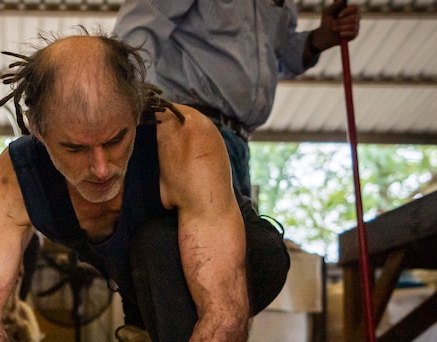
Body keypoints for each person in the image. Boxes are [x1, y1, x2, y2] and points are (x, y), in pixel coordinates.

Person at [0, 31, 290, 342]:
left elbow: (223, 314)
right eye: (75, 149)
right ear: (37, 129)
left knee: (157, 247)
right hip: (139, 282)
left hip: (241, 261)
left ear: (135, 112)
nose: (100, 168)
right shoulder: (12, 182)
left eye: (116, 140)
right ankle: (159, 337)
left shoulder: (183, 139)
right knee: (150, 273)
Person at [112, 0, 362, 198]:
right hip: (190, 129)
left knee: (233, 248)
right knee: (199, 247)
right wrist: (151, 117)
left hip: (238, 143)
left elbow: (275, 59)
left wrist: (318, 39)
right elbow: (135, 31)